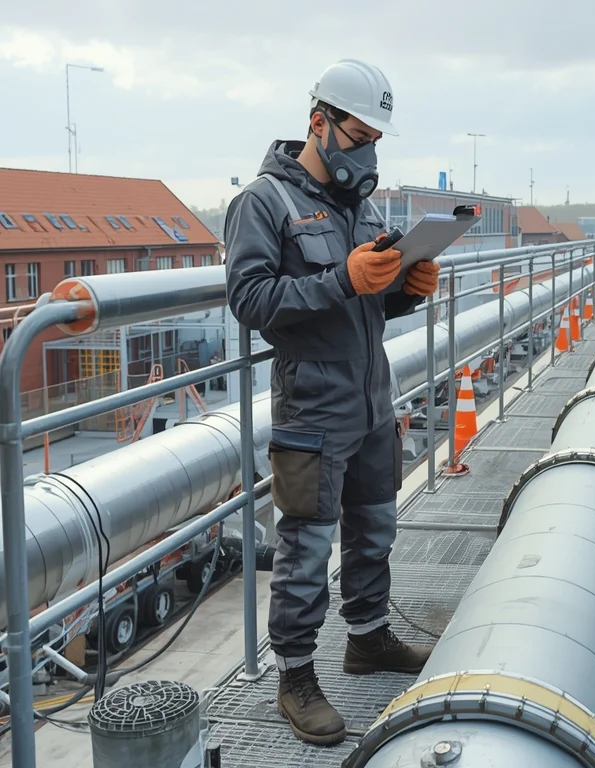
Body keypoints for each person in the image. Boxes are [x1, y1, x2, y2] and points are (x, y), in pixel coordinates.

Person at [224, 59, 440, 746]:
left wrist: (406, 287)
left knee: (375, 528)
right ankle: (295, 677)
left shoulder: (361, 208)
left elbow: (368, 303)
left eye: (377, 137)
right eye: (359, 133)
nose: (367, 149)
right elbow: (252, 300)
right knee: (306, 546)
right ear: (318, 122)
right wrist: (340, 278)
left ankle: (369, 638)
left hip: (372, 401)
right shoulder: (263, 203)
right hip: (313, 409)